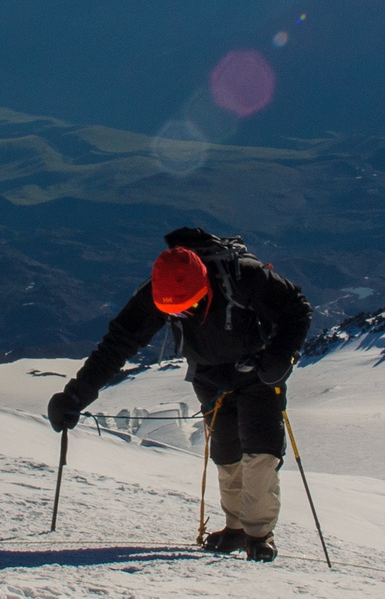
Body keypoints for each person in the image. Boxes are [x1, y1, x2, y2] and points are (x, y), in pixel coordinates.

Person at [47, 229, 311, 562]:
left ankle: (259, 535)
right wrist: (75, 396)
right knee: (227, 454)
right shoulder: (161, 290)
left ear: (204, 288)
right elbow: (119, 343)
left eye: (189, 309)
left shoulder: (244, 276)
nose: (181, 316)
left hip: (258, 372)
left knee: (260, 453)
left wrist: (279, 357)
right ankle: (236, 529)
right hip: (210, 378)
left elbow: (297, 310)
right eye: (174, 313)